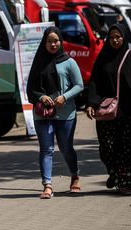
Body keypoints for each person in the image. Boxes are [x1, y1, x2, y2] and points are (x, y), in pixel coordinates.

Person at [86, 23, 131, 195]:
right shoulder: (103, 57)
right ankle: (114, 172)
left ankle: (126, 183)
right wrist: (91, 103)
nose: (115, 40)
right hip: (108, 112)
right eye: (112, 37)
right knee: (107, 148)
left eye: (118, 37)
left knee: (128, 151)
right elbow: (94, 83)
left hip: (130, 113)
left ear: (124, 37)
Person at [26, 26, 84, 199]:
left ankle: (74, 175)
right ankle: (47, 185)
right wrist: (42, 97)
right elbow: (31, 89)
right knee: (47, 149)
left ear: (61, 42)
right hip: (42, 114)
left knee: (66, 148)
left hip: (65, 113)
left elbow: (79, 85)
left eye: (56, 40)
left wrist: (64, 97)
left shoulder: (69, 62)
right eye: (49, 41)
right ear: (44, 42)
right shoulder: (38, 62)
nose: (53, 44)